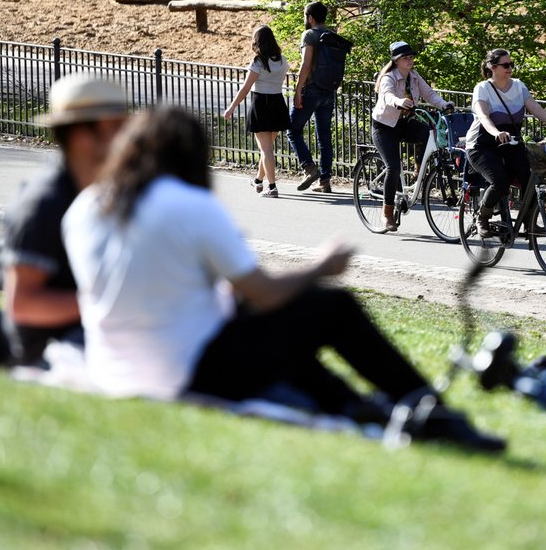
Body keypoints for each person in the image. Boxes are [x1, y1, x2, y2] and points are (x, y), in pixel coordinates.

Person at [61, 107, 504, 452]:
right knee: (330, 308)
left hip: (114, 367)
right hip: (187, 373)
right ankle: (430, 410)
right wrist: (321, 266)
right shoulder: (189, 205)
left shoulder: (85, 207)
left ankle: (359, 407)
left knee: (278, 326)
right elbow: (261, 290)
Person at [0, 73, 127, 366]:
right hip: (50, 354)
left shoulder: (106, 191)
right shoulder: (43, 203)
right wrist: (112, 303)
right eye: (116, 126)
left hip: (97, 339)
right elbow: (22, 304)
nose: (128, 136)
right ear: (82, 135)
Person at [465, 48, 546, 236]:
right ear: (493, 67)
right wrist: (496, 132)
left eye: (511, 64)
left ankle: (529, 222)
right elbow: (483, 116)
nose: (510, 68)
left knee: (530, 179)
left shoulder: (518, 86)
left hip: (510, 143)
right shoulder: (482, 88)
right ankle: (482, 218)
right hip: (481, 145)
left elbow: (534, 107)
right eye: (505, 65)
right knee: (499, 181)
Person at [371, 41, 453, 232]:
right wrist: (399, 101)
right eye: (405, 58)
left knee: (427, 132)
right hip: (384, 127)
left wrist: (443, 105)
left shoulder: (414, 77)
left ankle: (418, 169)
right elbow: (386, 96)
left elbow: (429, 94)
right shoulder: (388, 78)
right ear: (396, 61)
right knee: (393, 167)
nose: (410, 60)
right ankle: (387, 213)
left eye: (411, 57)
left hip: (403, 124)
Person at [224, 24, 291, 198]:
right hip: (277, 103)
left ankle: (273, 187)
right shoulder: (282, 61)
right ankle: (259, 180)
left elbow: (245, 88)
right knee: (267, 148)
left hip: (261, 103)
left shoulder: (258, 62)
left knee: (266, 149)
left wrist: (231, 107)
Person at [289, 1, 336, 194]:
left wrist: (298, 89)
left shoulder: (309, 35)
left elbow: (306, 64)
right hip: (329, 91)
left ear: (310, 18)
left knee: (292, 129)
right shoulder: (332, 35)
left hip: (312, 90)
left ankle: (309, 168)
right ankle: (325, 181)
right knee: (324, 137)